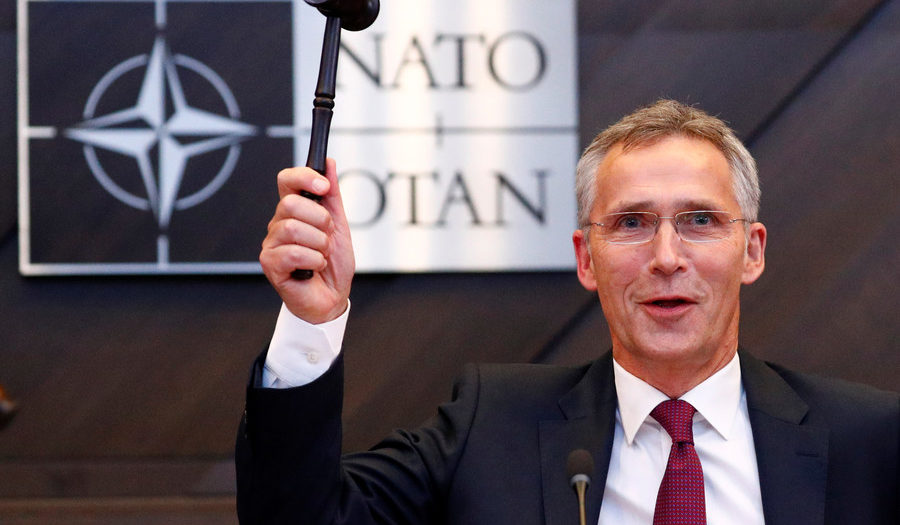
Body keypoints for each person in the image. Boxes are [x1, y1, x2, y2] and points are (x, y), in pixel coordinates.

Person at [236, 100, 899, 524]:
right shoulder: (493, 425)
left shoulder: (870, 441)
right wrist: (311, 320)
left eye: (700, 220)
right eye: (632, 223)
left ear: (751, 251)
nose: (667, 257)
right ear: (586, 259)